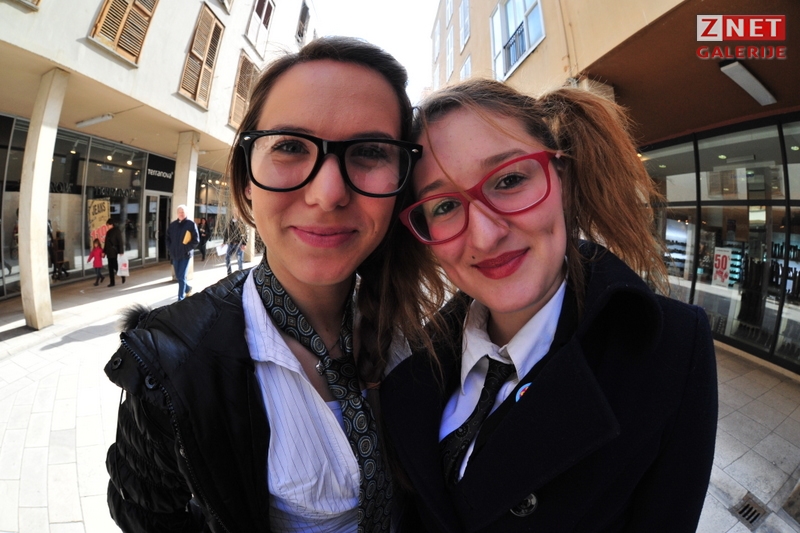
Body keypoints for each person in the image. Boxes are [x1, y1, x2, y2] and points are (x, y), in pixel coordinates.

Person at [104, 37, 443, 533]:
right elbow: (147, 516)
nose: (328, 194)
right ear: (246, 181)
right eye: (290, 147)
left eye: (370, 152)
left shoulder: (428, 330)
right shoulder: (172, 362)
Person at [381, 79, 718, 532]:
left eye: (509, 180)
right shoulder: (411, 364)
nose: (485, 235)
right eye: (443, 206)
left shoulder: (673, 352)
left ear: (561, 177)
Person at [165, 204, 199, 301]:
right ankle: (188, 288)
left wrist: (186, 248)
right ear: (177, 213)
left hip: (185, 255)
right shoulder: (172, 225)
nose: (181, 214)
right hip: (175, 255)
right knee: (178, 276)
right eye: (179, 212)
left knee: (182, 276)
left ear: (186, 213)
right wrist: (170, 248)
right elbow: (167, 238)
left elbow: (196, 240)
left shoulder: (191, 224)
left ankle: (180, 298)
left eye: (183, 212)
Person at [103, 218, 124, 287]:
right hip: (109, 252)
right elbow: (106, 243)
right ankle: (112, 282)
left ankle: (121, 275)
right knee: (110, 267)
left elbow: (120, 242)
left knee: (114, 266)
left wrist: (121, 251)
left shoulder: (117, 231)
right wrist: (104, 251)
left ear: (111, 224)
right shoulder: (108, 232)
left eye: (108, 225)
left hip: (114, 252)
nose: (107, 226)